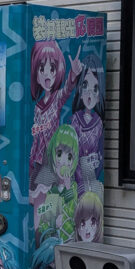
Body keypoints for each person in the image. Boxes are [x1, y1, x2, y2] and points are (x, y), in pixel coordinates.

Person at [29, 40, 82, 190]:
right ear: (36, 76)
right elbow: (36, 138)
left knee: (48, 192)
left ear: (57, 71)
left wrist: (73, 74)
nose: (47, 73)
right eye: (41, 68)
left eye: (52, 68)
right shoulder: (37, 107)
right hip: (39, 158)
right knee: (34, 190)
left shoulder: (57, 98)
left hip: (54, 156)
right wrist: (31, 158)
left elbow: (67, 89)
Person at [37, 124, 79, 244]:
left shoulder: (73, 188)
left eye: (69, 157)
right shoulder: (52, 192)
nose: (64, 162)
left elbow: (74, 216)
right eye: (59, 154)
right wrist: (52, 224)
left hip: (70, 246)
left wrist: (68, 186)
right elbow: (43, 224)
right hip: (54, 247)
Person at [71, 54, 105, 198]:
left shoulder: (99, 123)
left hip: (92, 180)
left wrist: (95, 163)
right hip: (76, 180)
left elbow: (101, 152)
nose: (90, 94)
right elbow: (71, 149)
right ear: (79, 90)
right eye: (85, 86)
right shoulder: (75, 119)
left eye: (95, 88)